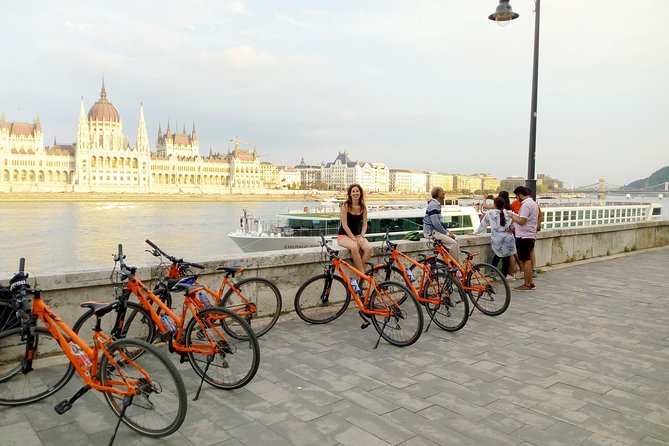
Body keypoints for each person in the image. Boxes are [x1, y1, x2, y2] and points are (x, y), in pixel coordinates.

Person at [337, 183, 372, 293]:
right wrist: (353, 239)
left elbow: (365, 225)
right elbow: (345, 225)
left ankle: (359, 275)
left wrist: (361, 236)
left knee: (368, 249)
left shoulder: (363, 207)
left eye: (357, 191)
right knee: (354, 247)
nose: (355, 193)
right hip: (344, 235)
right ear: (350, 194)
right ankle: (363, 277)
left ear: (360, 193)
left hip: (357, 235)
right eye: (353, 191)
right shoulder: (346, 205)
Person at [475, 196, 517, 279]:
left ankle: (492, 271)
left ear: (495, 204)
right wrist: (511, 229)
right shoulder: (509, 213)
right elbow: (515, 223)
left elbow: (483, 225)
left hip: (497, 238)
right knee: (506, 259)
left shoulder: (490, 213)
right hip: (508, 238)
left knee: (497, 255)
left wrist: (475, 232)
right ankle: (504, 277)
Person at [510, 186, 540, 291]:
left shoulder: (526, 205)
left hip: (524, 236)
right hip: (530, 234)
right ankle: (530, 282)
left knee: (525, 260)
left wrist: (512, 216)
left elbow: (522, 221)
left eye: (517, 196)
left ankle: (527, 284)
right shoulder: (533, 204)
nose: (516, 198)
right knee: (527, 259)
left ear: (520, 195)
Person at [423, 186, 462, 264]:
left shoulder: (436, 204)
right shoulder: (434, 205)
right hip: (431, 233)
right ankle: (457, 266)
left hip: (436, 231)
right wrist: (447, 234)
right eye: (443, 192)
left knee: (456, 239)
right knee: (453, 243)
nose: (444, 194)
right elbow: (436, 223)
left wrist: (447, 231)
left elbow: (439, 223)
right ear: (439, 194)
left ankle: (452, 262)